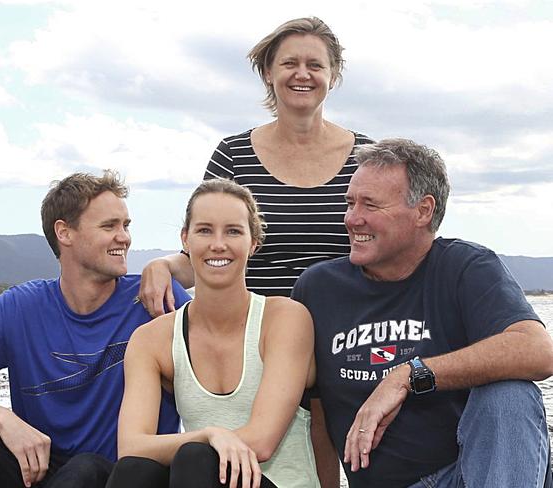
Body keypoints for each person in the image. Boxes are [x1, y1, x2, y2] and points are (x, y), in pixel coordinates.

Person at [139, 16, 373, 485]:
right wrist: (164, 264)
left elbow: (381, 246)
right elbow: (211, 240)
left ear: (334, 75)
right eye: (289, 62)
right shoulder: (233, 153)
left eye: (315, 64)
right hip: (253, 334)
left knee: (328, 439)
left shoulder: (365, 156)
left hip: (340, 331)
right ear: (268, 72)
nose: (302, 74)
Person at [291, 138, 553, 488]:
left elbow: (538, 351)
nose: (353, 219)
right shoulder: (318, 289)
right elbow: (315, 414)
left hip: (470, 475)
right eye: (350, 203)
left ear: (423, 211)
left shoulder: (466, 268)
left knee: (509, 394)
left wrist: (408, 376)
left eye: (370, 205)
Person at [0, 170, 190, 488]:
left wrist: (166, 264)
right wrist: (1, 417)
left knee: (86, 468)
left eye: (125, 225)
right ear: (64, 233)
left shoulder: (156, 299)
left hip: (121, 476)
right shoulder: (21, 307)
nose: (124, 237)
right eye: (109, 226)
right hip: (41, 470)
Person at [104, 179, 319, 488]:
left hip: (272, 482)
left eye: (233, 231)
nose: (218, 244)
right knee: (135, 472)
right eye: (205, 230)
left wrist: (203, 441)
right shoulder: (151, 339)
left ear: (253, 242)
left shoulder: (284, 318)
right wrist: (208, 434)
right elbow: (131, 447)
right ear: (186, 240)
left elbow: (261, 442)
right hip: (200, 477)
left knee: (195, 458)